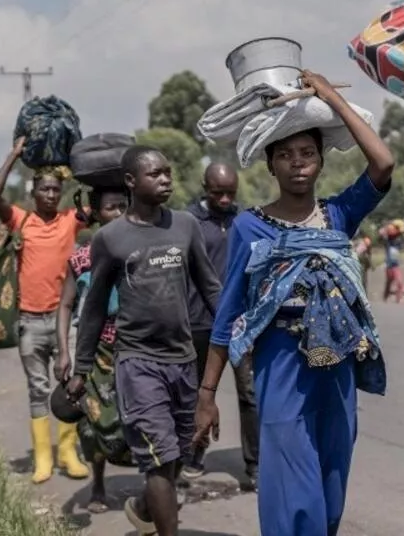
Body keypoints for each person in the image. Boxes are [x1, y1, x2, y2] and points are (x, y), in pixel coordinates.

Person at [194, 71, 395, 536]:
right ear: (270, 166)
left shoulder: (339, 215)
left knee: (331, 481)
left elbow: (382, 164)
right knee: (290, 486)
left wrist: (330, 97)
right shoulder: (250, 227)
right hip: (281, 365)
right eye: (285, 155)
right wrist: (206, 396)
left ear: (321, 161)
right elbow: (228, 316)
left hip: (337, 366)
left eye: (307, 153)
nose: (297, 164)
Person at [69, 146, 221, 536]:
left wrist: (240, 336)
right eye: (156, 174)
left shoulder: (185, 225)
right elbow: (95, 307)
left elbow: (210, 289)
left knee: (175, 458)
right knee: (158, 459)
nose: (166, 179)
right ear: (131, 182)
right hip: (137, 363)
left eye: (168, 172)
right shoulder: (111, 238)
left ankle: (142, 505)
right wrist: (81, 368)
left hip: (183, 361)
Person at [0, 136, 89, 484]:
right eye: (44, 190)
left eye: (55, 190)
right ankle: (43, 458)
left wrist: (79, 165)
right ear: (33, 193)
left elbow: (97, 201)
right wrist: (13, 155)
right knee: (37, 389)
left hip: (64, 322)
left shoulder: (70, 220)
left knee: (71, 386)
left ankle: (68, 452)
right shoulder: (22, 221)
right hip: (29, 321)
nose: (50, 195)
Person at [183, 162, 260, 488]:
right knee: (199, 394)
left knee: (251, 395)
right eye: (218, 193)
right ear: (205, 187)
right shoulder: (188, 223)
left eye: (231, 193)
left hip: (241, 324)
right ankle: (195, 455)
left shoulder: (245, 221)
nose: (226, 199)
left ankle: (255, 465)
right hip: (200, 322)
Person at [56, 185, 129, 514]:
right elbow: (66, 305)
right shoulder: (82, 257)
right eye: (112, 207)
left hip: (135, 346)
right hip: (95, 348)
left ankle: (157, 482)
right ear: (96, 213)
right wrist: (64, 351)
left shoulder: (140, 248)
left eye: (123, 206)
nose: (119, 212)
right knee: (90, 421)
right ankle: (98, 484)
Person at [381, 222, 404, 303]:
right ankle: (385, 297)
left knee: (399, 282)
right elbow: (385, 237)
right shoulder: (387, 241)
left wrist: (399, 231)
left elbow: (401, 243)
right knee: (389, 282)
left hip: (395, 265)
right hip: (389, 265)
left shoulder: (398, 240)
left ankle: (399, 299)